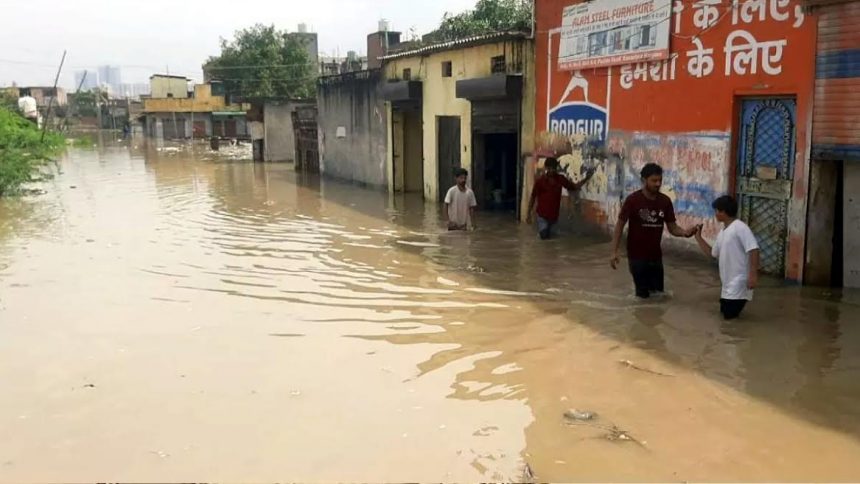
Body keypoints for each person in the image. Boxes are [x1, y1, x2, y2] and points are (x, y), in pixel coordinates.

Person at [610, 163, 697, 298]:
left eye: (660, 181)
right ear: (644, 180)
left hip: (656, 257)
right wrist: (614, 251)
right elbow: (620, 225)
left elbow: (672, 227)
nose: (657, 184)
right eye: (654, 180)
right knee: (642, 296)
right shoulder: (633, 200)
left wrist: (685, 233)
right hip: (636, 256)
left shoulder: (665, 201)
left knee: (658, 295)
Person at [693, 195, 760, 320]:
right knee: (727, 319)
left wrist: (753, 275)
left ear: (724, 212)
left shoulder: (740, 227)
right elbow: (713, 254)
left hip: (739, 283)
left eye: (717, 211)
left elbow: (753, 249)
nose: (716, 214)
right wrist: (698, 238)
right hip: (727, 285)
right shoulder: (723, 232)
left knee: (730, 319)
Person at [526, 157, 594, 240]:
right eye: (550, 168)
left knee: (551, 238)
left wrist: (586, 178)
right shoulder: (540, 182)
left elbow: (574, 186)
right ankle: (541, 233)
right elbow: (533, 197)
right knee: (544, 236)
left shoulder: (560, 179)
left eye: (554, 168)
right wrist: (528, 214)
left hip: (554, 217)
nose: (552, 170)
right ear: (546, 168)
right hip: (542, 216)